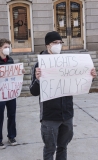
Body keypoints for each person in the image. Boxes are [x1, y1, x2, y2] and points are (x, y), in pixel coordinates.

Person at [30, 31, 97, 160]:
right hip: (49, 116)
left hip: (67, 114)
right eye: (54, 43)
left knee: (63, 147)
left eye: (60, 43)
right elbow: (33, 91)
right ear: (47, 45)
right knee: (50, 148)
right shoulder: (39, 65)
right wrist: (38, 79)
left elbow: (78, 81)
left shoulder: (68, 62)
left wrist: (90, 77)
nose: (58, 45)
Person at [0, 38, 25, 149]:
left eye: (8, 47)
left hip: (11, 93)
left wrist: (20, 72)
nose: (7, 49)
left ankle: (11, 136)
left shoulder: (10, 60)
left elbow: (13, 75)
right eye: (5, 47)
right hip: (0, 94)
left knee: (12, 115)